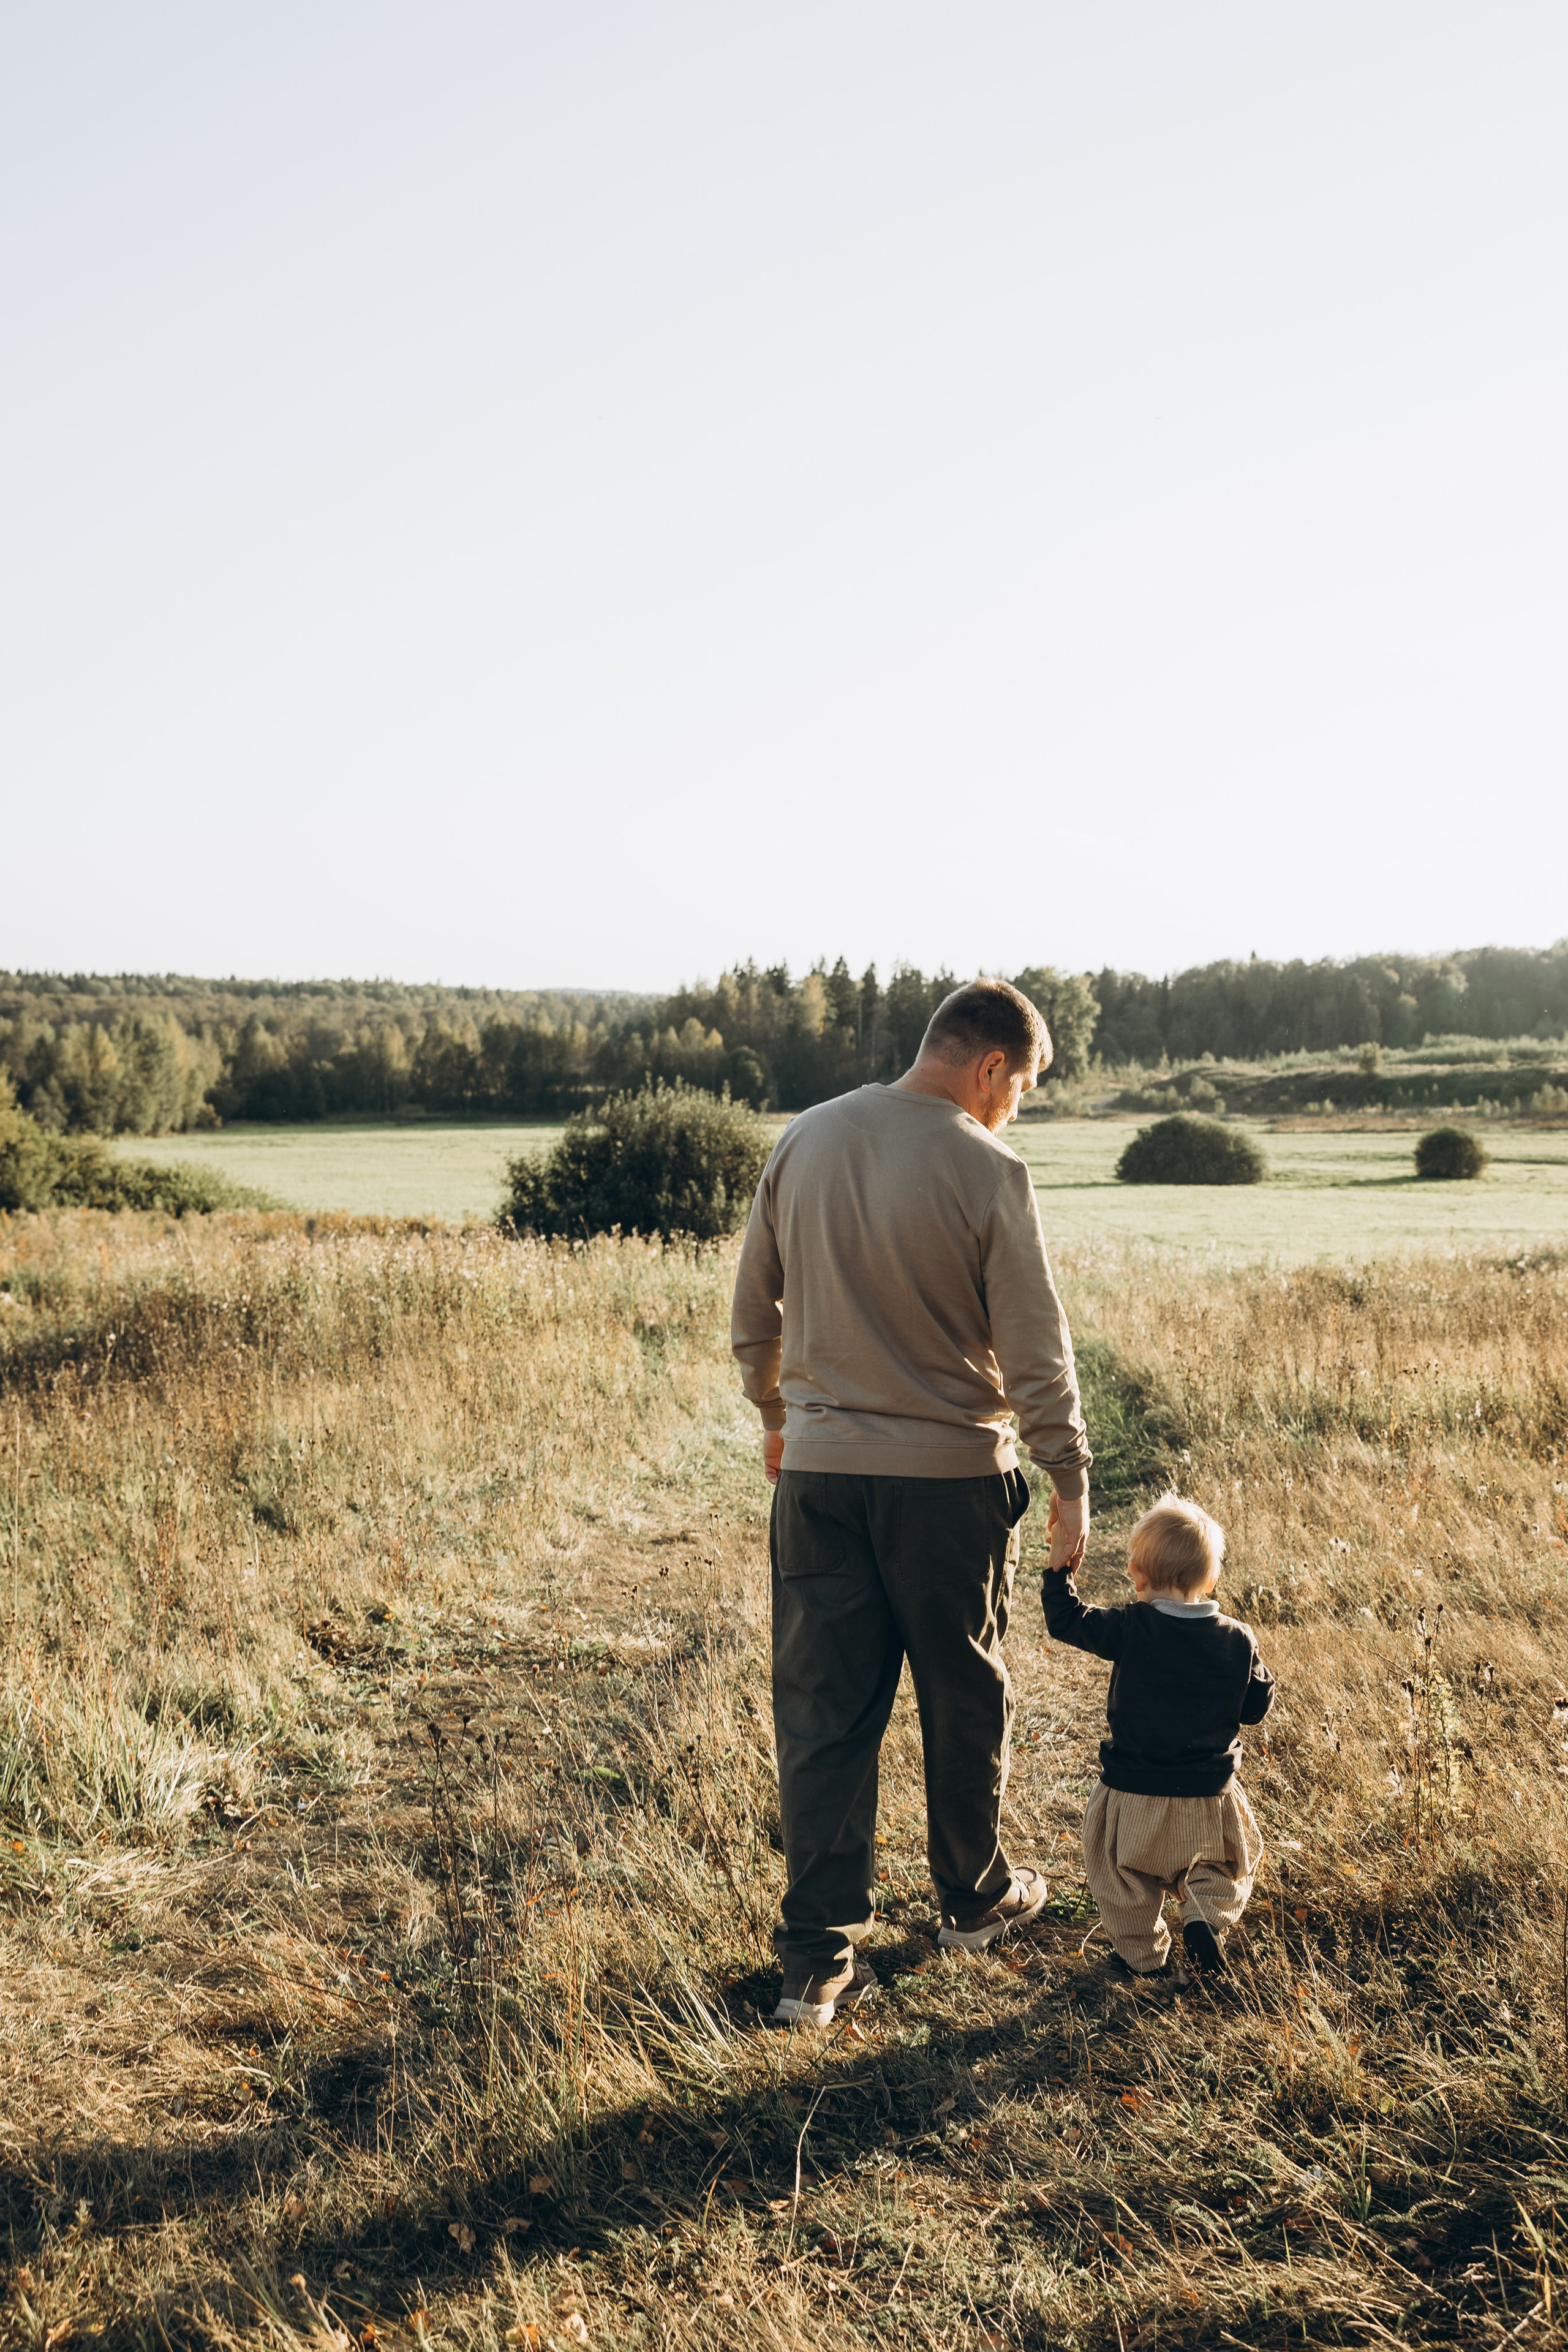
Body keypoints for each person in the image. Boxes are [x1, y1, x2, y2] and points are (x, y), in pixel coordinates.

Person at [731, 978, 1093, 2027]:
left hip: (821, 1477)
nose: (1013, 1107)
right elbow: (1034, 1347)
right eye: (1019, 1087)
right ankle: (973, 1901)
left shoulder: (804, 1138)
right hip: (950, 1487)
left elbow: (757, 1308)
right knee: (962, 1693)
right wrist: (1068, 1474)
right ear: (989, 1067)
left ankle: (814, 1964)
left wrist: (775, 1413)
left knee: (823, 1709)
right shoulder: (988, 1167)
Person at [1042, 1492, 1275, 1977]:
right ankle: (1204, 1915)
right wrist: (1256, 1669)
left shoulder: (1130, 1627)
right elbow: (1254, 1710)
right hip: (1207, 1799)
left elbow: (1065, 1622)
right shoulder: (1237, 1637)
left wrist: (1059, 1568)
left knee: (1121, 1879)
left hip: (1132, 1794)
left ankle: (1141, 1959)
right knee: (1226, 1868)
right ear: (1210, 1579)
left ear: (1138, 1575)